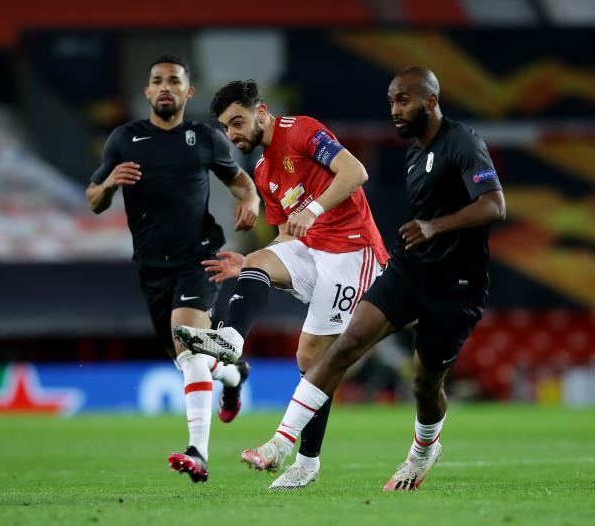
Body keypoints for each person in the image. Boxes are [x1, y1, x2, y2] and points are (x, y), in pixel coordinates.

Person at [220, 67, 506, 492]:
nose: (395, 110)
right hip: (409, 271)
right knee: (340, 349)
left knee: (424, 384)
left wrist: (434, 227)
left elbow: (495, 205)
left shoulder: (463, 143)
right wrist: (255, 265)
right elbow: (286, 233)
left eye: (403, 100)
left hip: (452, 284)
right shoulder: (412, 157)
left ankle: (423, 451)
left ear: (431, 100)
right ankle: (280, 445)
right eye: (391, 101)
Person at [174, 80, 389, 490]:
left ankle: (305, 461)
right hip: (311, 248)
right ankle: (232, 340)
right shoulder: (262, 170)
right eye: (226, 128)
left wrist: (313, 209)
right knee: (254, 262)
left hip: (353, 251)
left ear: (261, 112)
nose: (233, 134)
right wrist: (258, 260)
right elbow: (287, 234)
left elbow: (354, 172)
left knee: (311, 357)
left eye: (237, 122)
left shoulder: (301, 129)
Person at [85, 56, 260, 483]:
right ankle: (234, 375)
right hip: (151, 268)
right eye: (157, 81)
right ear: (147, 92)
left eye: (174, 81)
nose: (165, 87)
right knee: (191, 360)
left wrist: (251, 201)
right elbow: (93, 198)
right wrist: (109, 185)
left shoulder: (203, 137)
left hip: (197, 257)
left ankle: (197, 452)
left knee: (189, 342)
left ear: (188, 92)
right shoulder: (124, 139)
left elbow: (239, 180)